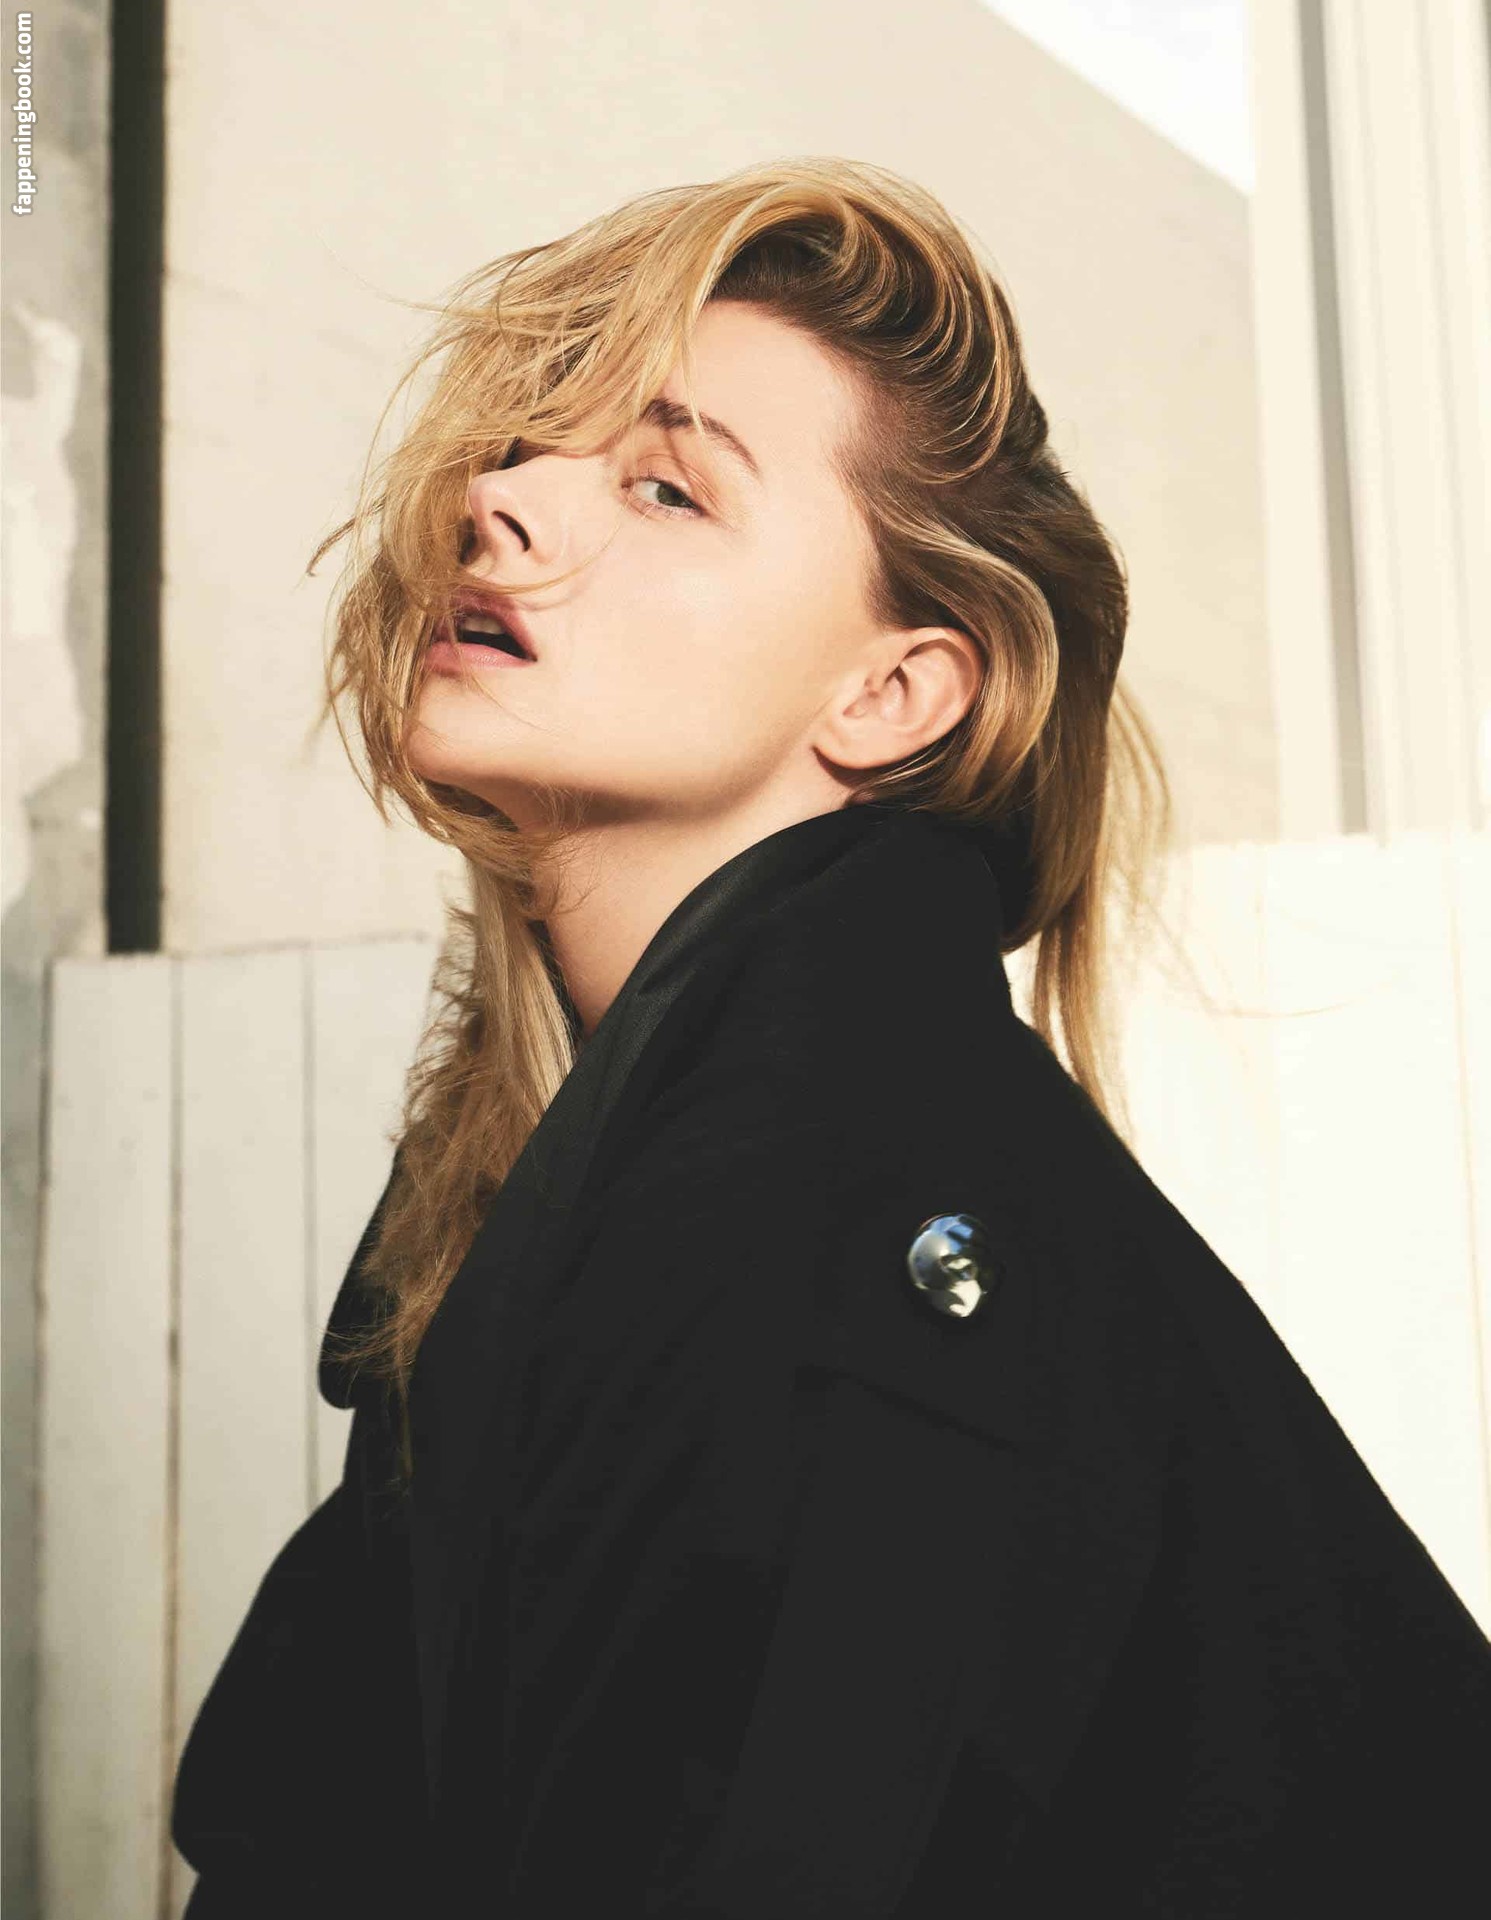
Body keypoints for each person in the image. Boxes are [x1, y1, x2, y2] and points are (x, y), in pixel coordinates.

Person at [170, 157, 1491, 1917]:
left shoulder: (847, 1193)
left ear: (889, 693)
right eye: (527, 449)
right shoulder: (588, 1196)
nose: (501, 504)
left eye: (666, 486)